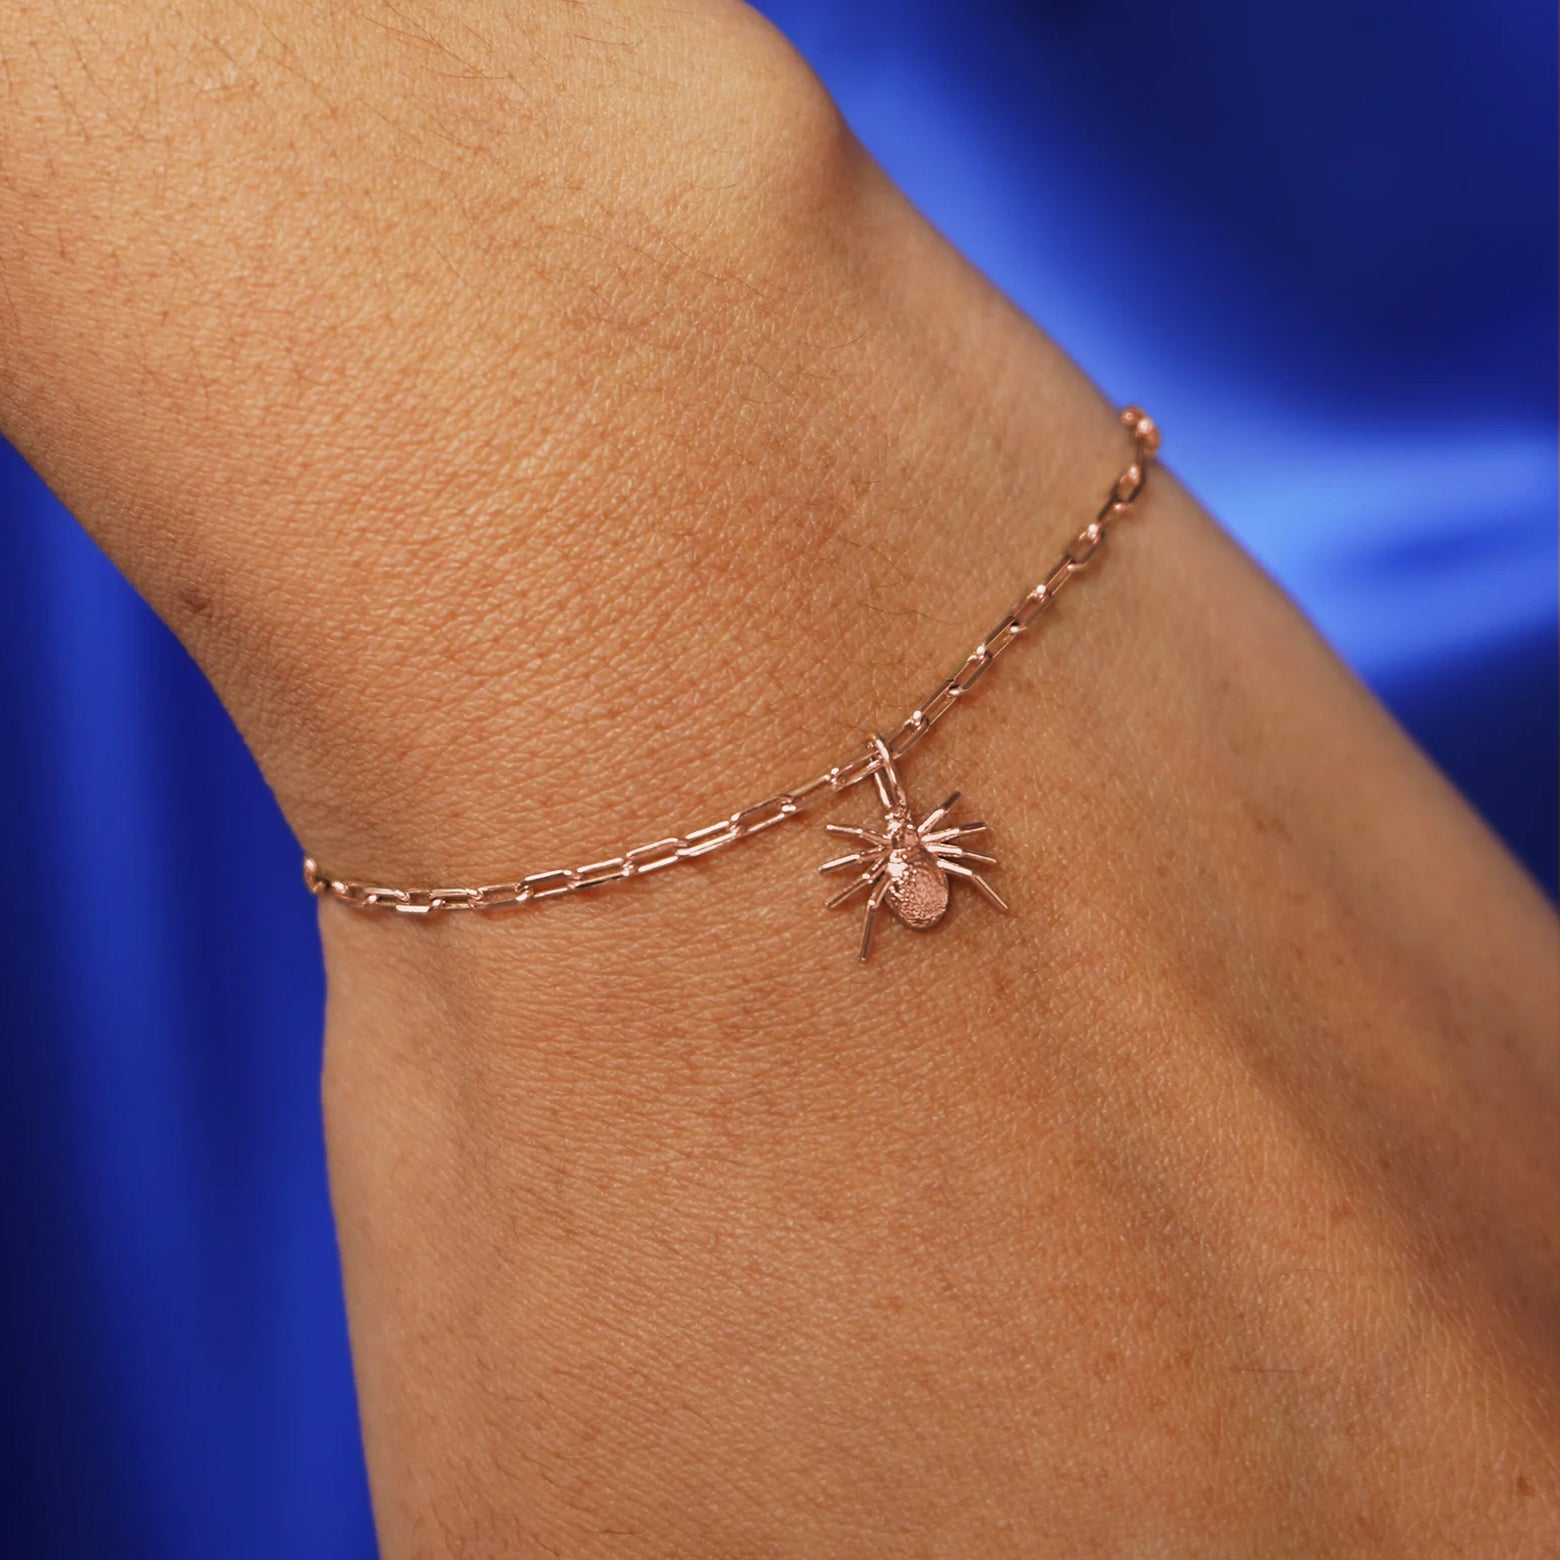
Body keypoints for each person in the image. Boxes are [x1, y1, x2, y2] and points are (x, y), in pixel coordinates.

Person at [2, 2, 1555, 1553]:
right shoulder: (876, 847)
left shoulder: (904, 842)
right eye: (897, 849)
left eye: (907, 845)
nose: (905, 854)